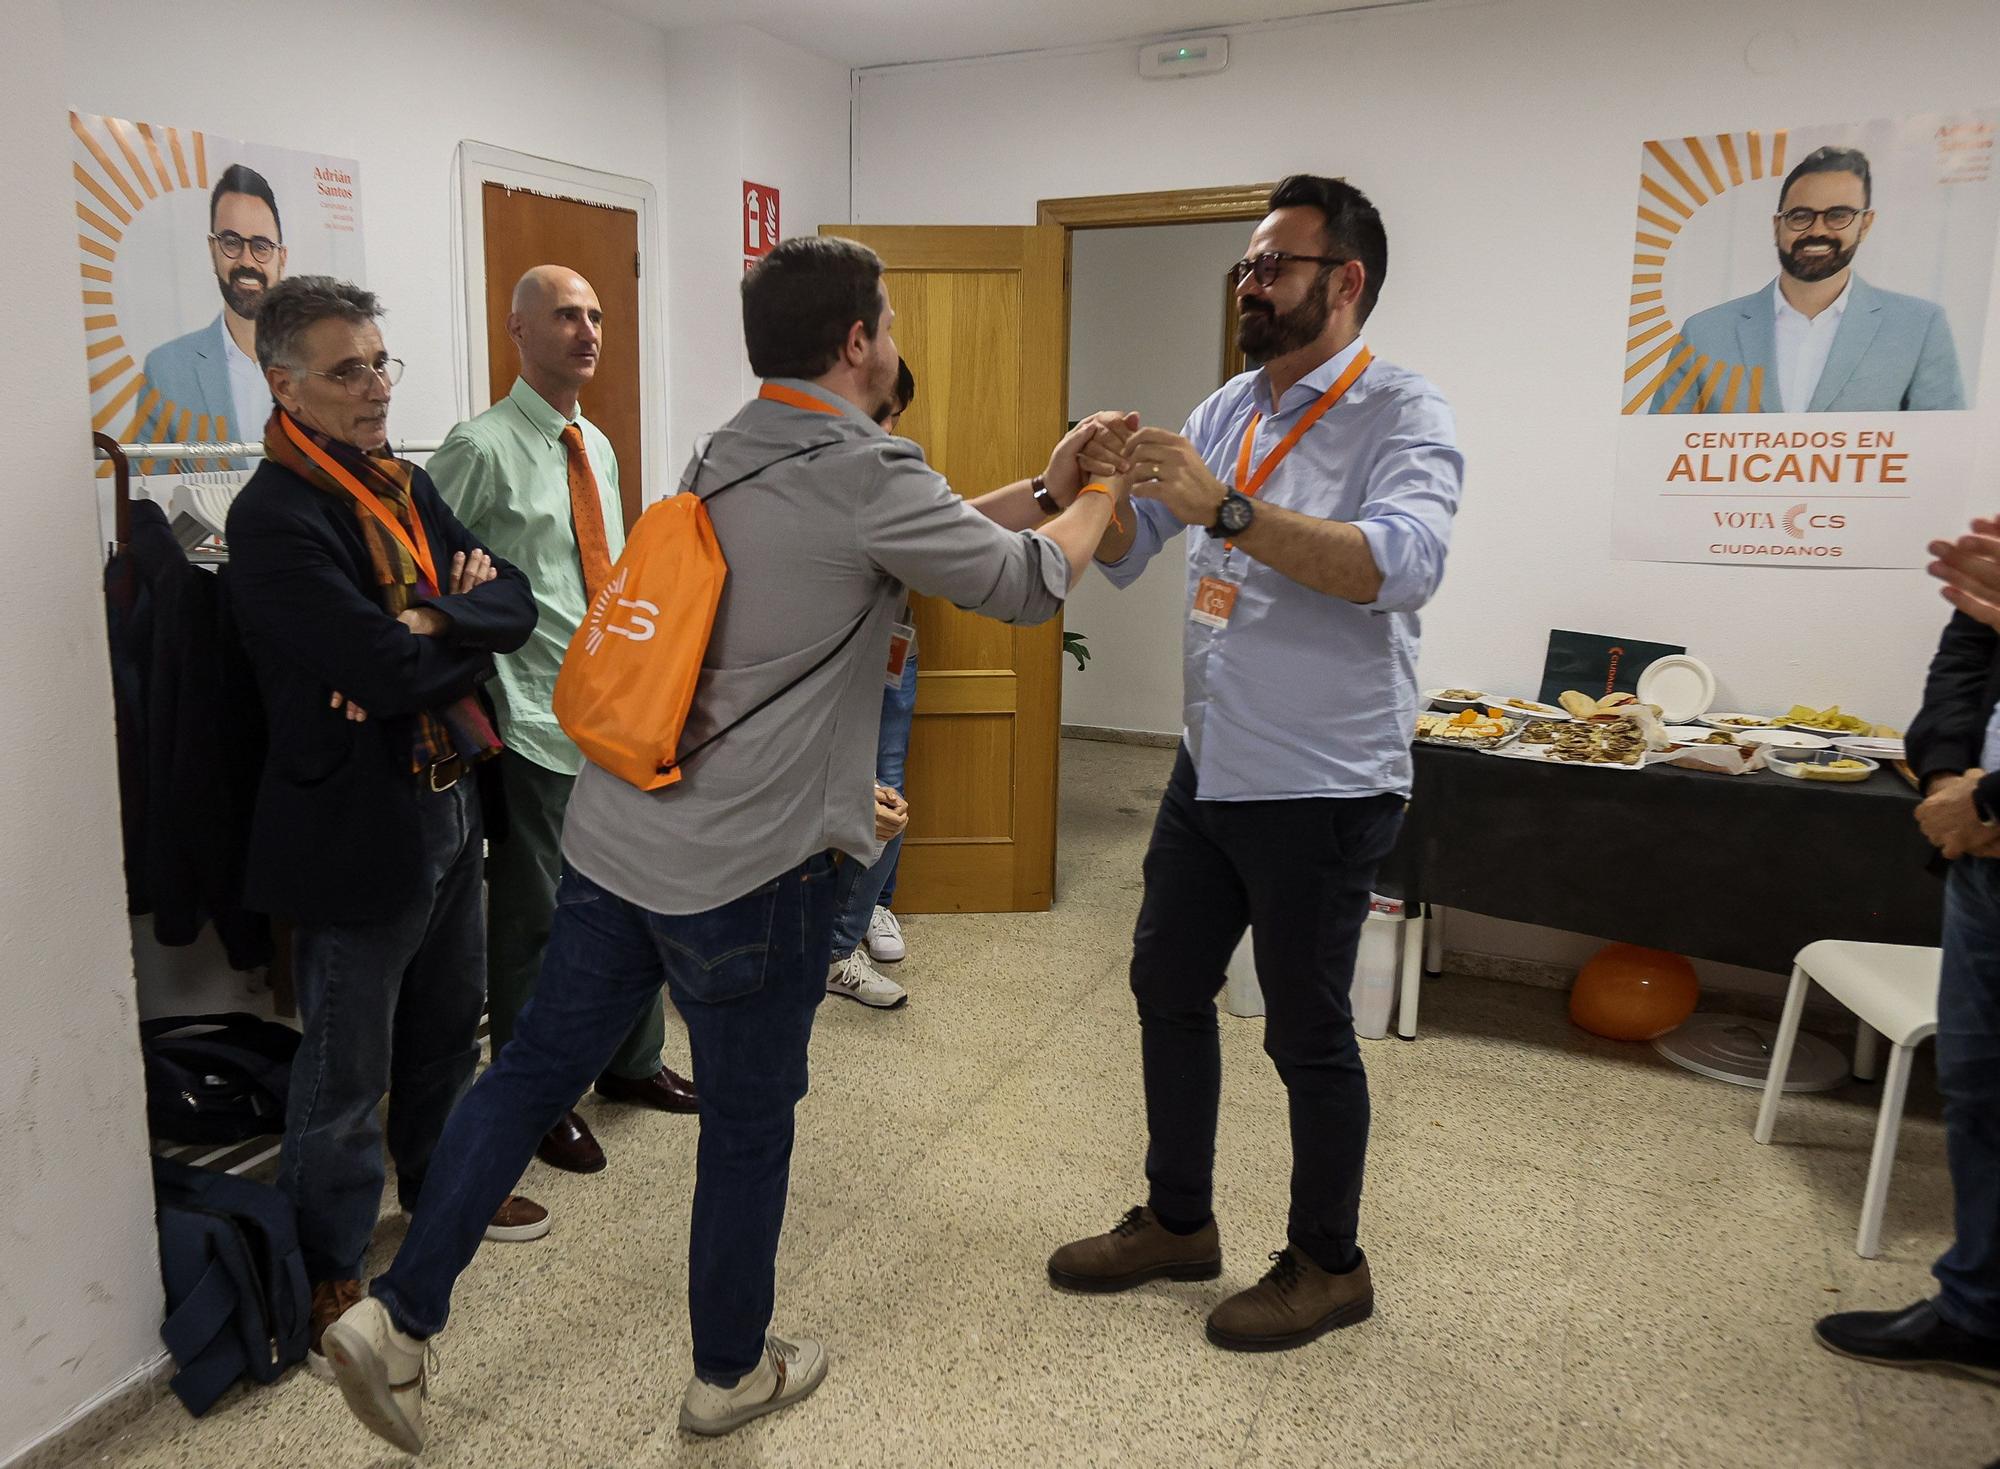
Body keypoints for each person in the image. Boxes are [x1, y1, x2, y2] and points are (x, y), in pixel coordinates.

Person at [319, 235, 1134, 1451]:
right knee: (751, 1121)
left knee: (530, 1069)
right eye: (892, 324)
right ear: (857, 341)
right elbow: (1019, 581)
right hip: (750, 871)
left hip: (617, 835)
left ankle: (399, 1318)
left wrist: (1043, 479)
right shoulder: (864, 466)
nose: (895, 342)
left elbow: (915, 536)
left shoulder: (728, 443)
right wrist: (1102, 493)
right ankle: (726, 1373)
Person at [1046, 174, 1464, 1354]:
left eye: (1273, 264)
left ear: (1344, 282)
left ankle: (1329, 1262)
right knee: (1164, 984)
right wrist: (1082, 474)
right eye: (1244, 264)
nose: (1249, 282)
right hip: (1208, 762)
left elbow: (1398, 564)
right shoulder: (1229, 401)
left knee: (1306, 1030)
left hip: (1323, 779)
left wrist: (1228, 512)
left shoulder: (1402, 410)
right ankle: (1179, 1218)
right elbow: (1132, 540)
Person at [222, 276, 550, 1380]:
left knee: (447, 1029)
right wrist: (424, 637)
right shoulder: (273, 516)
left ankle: (442, 1192)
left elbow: (514, 601)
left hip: (452, 791)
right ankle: (328, 1262)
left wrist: (428, 618)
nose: (374, 387)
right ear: (285, 385)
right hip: (354, 823)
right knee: (345, 1063)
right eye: (346, 369)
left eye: (379, 362)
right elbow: (376, 664)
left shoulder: (403, 484)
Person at [428, 266, 697, 1175]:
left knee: (634, 895)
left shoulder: (596, 443)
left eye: (595, 316)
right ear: (518, 330)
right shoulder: (481, 447)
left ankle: (631, 1062)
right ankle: (536, 1097)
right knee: (538, 917)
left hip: (613, 712)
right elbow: (433, 588)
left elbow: (606, 577)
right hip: (533, 714)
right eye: (566, 316)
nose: (587, 331)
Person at [1811, 515, 2000, 1383]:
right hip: (1980, 857)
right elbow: (1964, 658)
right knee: (1978, 1091)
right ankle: (1977, 1310)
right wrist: (1948, 781)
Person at [1654, 145, 1964, 413]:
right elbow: (1661, 450)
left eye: (1838, 215)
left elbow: (1938, 454)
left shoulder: (1920, 327)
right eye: (1800, 216)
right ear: (1778, 226)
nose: (1817, 231)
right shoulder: (1704, 333)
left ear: (1865, 224)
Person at [827, 357, 920, 1009]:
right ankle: (835, 946)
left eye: (896, 414)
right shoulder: (809, 466)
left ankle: (869, 911)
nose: (890, 427)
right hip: (833, 659)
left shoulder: (902, 465)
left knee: (890, 790)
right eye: (882, 411)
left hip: (894, 649)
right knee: (851, 794)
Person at [142, 164, 289, 457]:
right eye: (231, 242)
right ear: (213, 250)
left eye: (261, 246)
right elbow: (150, 488)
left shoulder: (317, 366)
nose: (247, 261)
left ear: (281, 258)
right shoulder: (165, 371)